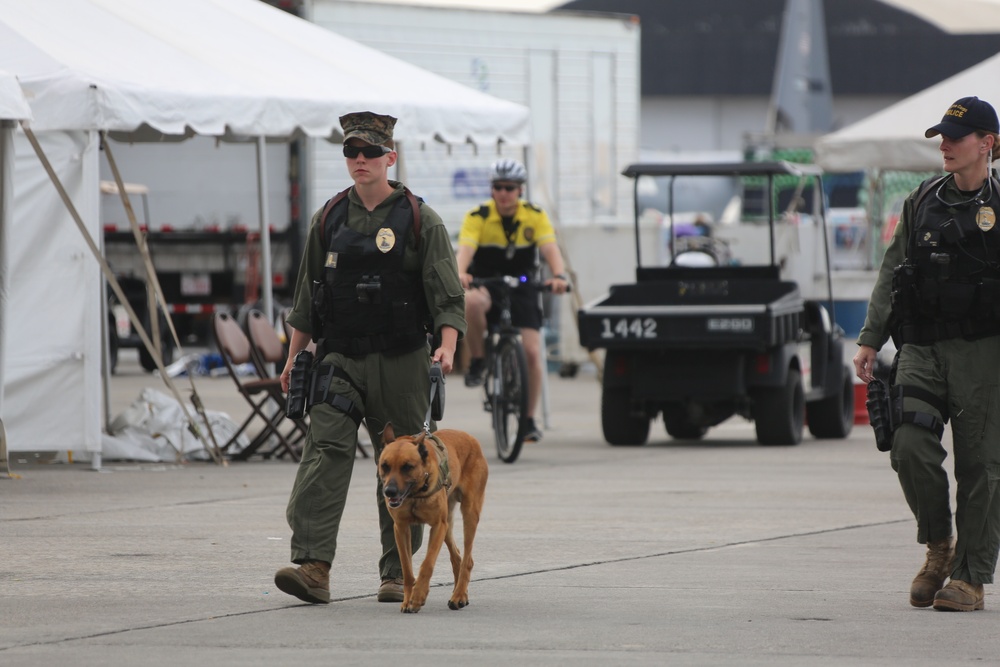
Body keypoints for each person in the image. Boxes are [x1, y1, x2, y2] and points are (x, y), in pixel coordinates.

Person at [273, 111, 466, 605]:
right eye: (351, 152)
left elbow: (447, 294)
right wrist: (295, 358)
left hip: (402, 360)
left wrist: (447, 345)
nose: (360, 160)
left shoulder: (422, 219)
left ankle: (396, 573)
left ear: (390, 158)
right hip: (340, 359)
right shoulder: (329, 218)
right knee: (326, 449)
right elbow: (306, 300)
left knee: (403, 466)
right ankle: (314, 567)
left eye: (370, 153)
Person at [853, 96, 1000, 612]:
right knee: (909, 444)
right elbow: (894, 272)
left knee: (981, 466)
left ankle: (970, 578)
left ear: (988, 144)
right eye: (941, 136)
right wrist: (871, 337)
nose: (944, 145)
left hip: (985, 354)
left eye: (955, 138)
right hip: (922, 346)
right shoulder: (922, 200)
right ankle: (939, 547)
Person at [456, 158, 570, 443]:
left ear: (520, 189)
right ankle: (478, 360)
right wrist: (460, 273)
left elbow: (550, 249)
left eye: (510, 187)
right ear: (492, 189)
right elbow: (465, 251)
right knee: (470, 302)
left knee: (532, 353)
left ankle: (529, 419)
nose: (503, 193)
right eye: (498, 187)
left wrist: (558, 275)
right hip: (486, 283)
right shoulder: (478, 216)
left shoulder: (535, 215)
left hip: (523, 286)